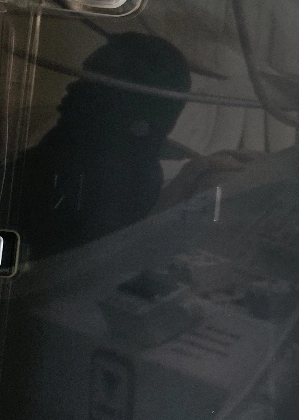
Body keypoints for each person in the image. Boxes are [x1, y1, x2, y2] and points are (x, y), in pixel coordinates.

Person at [14, 33, 191, 258]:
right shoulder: (72, 144)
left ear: (131, 108)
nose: (71, 88)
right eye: (82, 78)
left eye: (92, 85)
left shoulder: (122, 181)